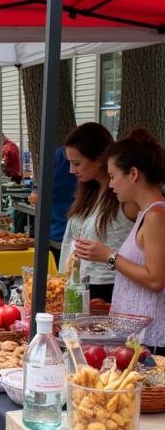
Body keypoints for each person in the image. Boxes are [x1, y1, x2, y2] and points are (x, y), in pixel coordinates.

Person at [100, 130, 165, 353]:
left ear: (133, 174)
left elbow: (155, 279)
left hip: (151, 339)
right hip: (140, 336)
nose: (111, 184)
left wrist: (108, 256)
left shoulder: (156, 216)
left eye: (113, 175)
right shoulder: (145, 213)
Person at [62, 123, 137, 304]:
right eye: (70, 163)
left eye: (77, 163)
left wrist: (108, 256)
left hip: (109, 289)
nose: (72, 170)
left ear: (99, 159)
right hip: (77, 285)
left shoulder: (127, 198)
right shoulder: (89, 192)